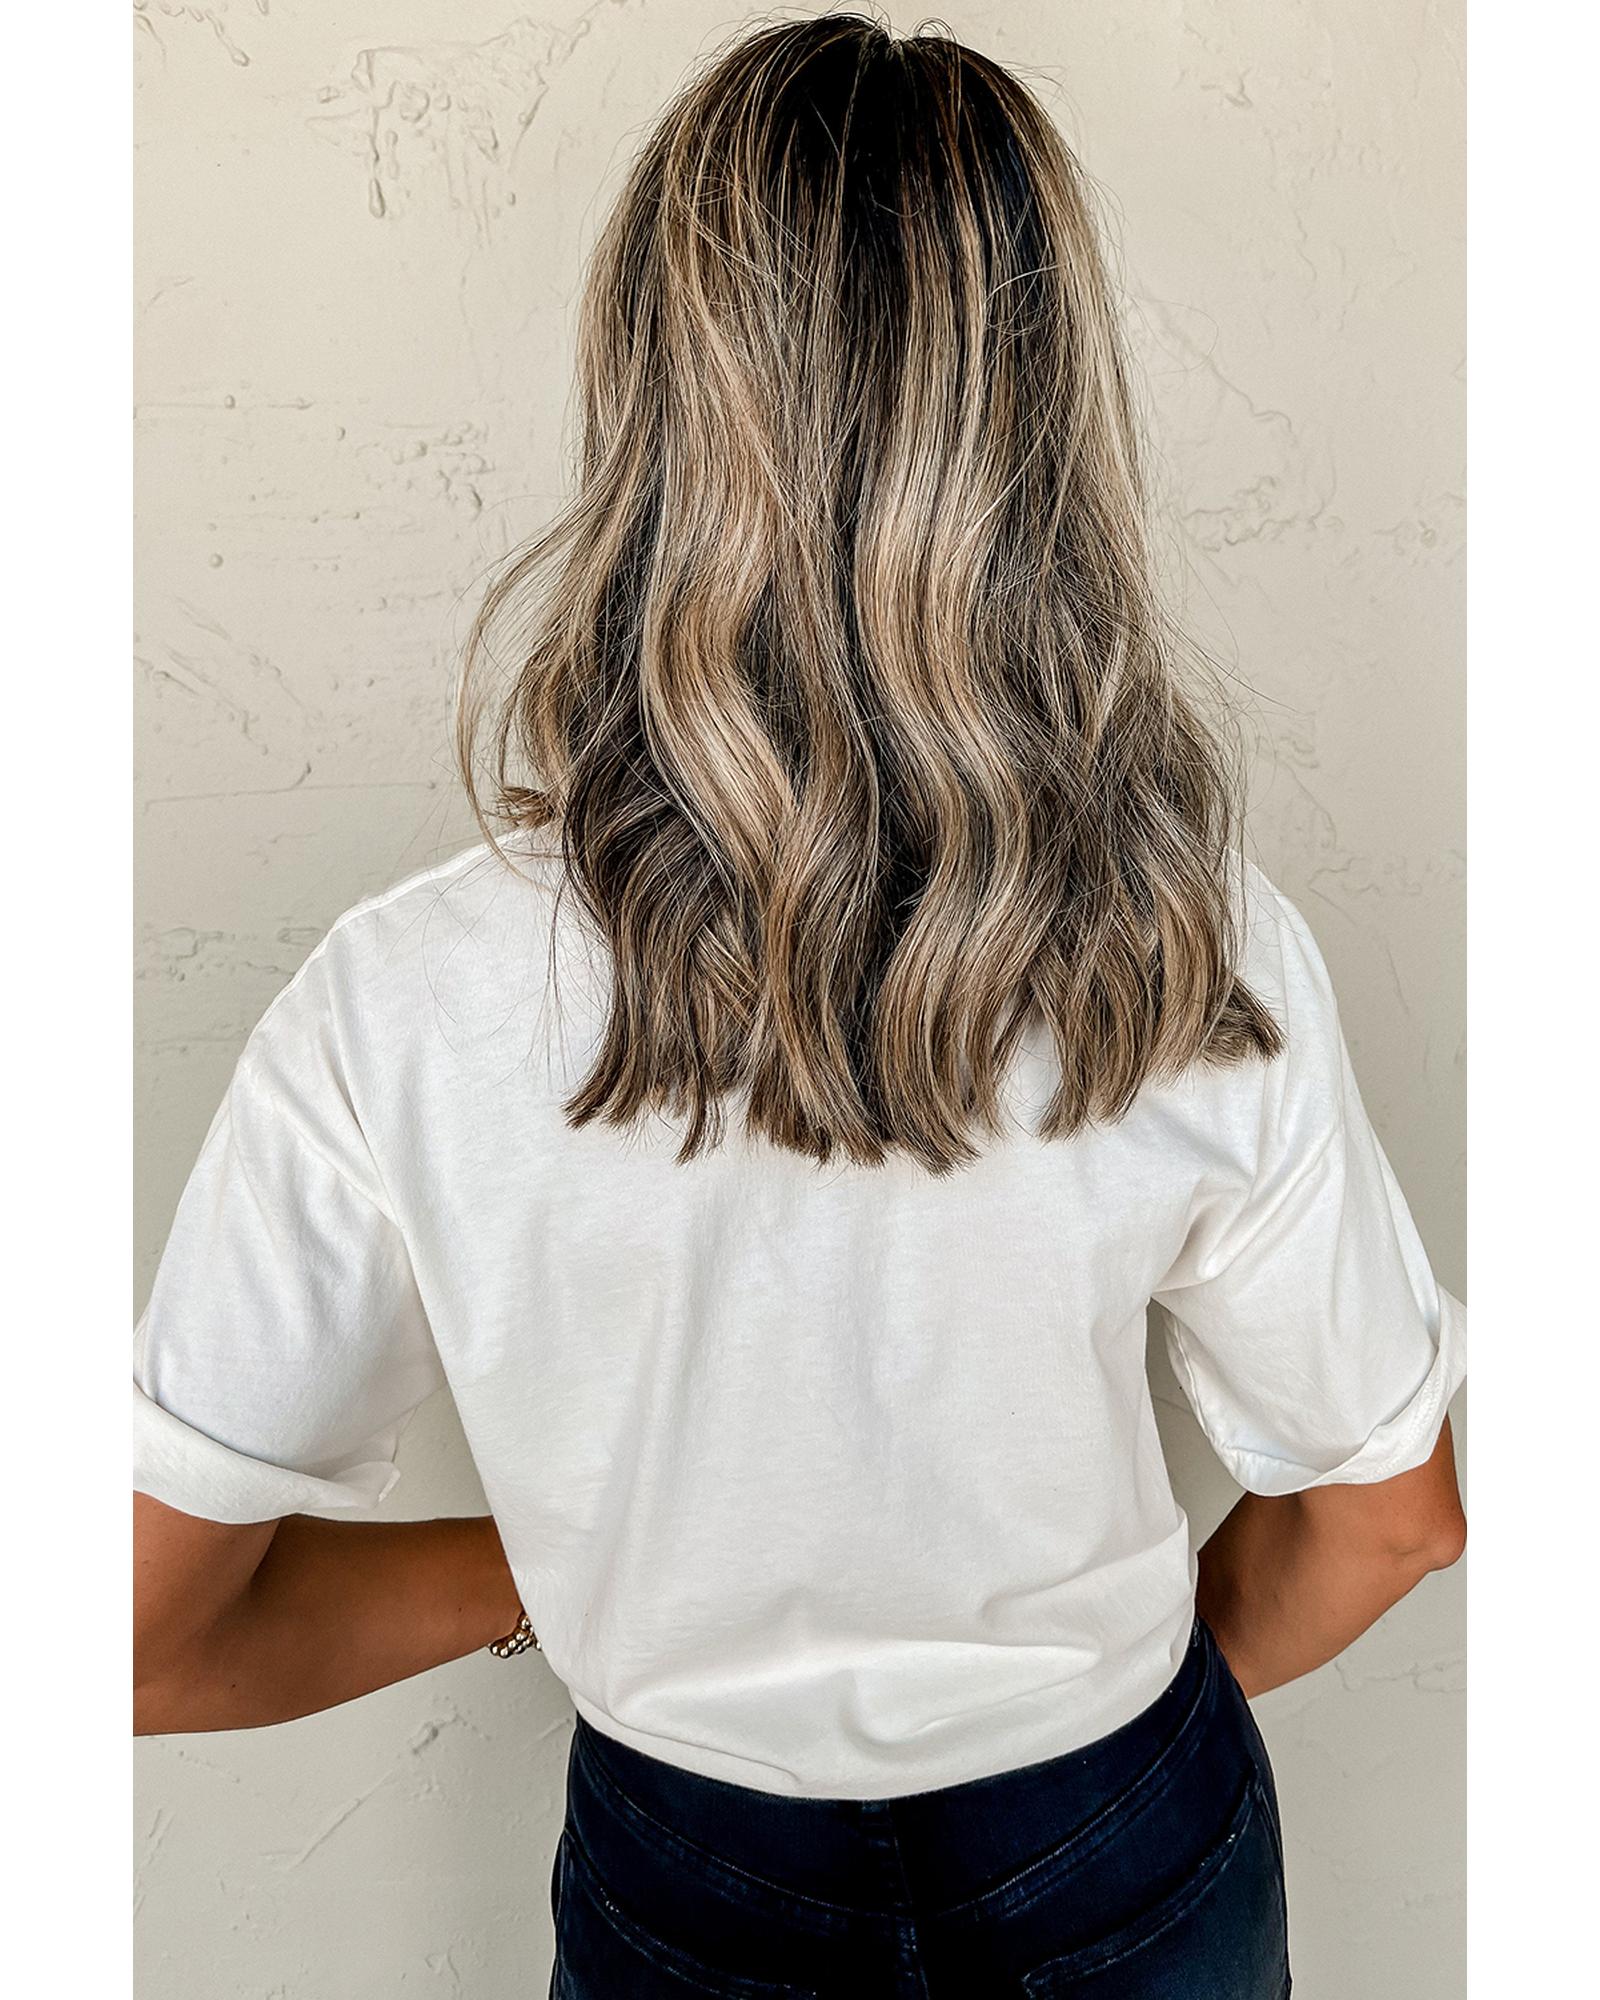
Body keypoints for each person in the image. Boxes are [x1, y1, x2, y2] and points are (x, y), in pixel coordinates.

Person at [132, 15, 1466, 1997]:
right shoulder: (1189, 948)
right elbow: (1388, 1520)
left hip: (693, 1872)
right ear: (1040, 432)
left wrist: (572, 1571)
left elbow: (139, 1635)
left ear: (652, 400)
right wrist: (1082, 1746)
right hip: (1119, 1830)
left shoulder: (397, 1007)